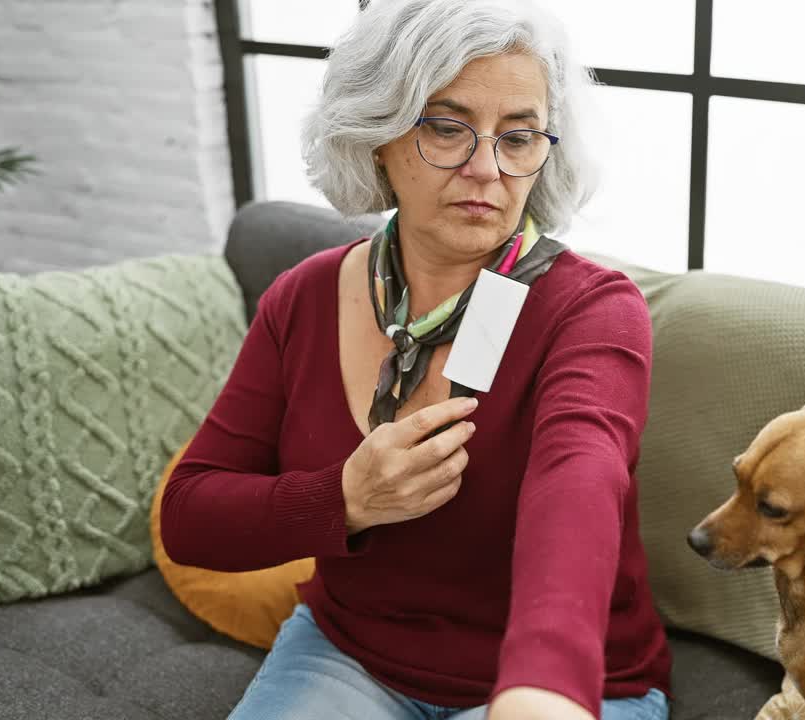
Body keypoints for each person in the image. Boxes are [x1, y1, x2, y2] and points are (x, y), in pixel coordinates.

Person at [159, 0, 673, 718]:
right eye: (446, 127)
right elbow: (189, 517)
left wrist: (544, 686)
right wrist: (345, 499)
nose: (487, 168)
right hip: (350, 652)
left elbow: (578, 490)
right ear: (377, 136)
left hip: (558, 674)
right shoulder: (301, 299)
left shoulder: (590, 310)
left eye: (518, 136)